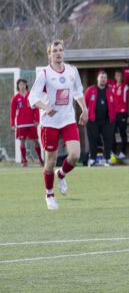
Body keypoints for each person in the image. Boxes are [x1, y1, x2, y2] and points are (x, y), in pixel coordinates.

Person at [28, 39, 88, 210]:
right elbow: (32, 97)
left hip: (67, 119)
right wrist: (45, 107)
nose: (58, 53)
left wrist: (84, 109)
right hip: (49, 123)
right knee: (51, 160)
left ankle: (61, 174)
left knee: (75, 155)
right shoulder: (45, 74)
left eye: (60, 50)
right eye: (55, 51)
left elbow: (77, 92)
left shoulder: (72, 71)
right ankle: (49, 194)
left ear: (64, 52)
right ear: (50, 54)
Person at [84, 70, 116, 167]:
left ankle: (107, 159)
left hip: (107, 120)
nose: (103, 79)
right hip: (93, 120)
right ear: (97, 78)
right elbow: (84, 103)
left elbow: (114, 105)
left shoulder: (110, 90)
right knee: (92, 139)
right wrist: (85, 115)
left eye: (105, 77)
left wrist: (113, 118)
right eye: (101, 77)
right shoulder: (90, 90)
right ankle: (92, 159)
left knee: (108, 139)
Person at [10, 78, 43, 167]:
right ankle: (24, 161)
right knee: (22, 142)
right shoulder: (15, 98)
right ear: (18, 86)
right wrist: (12, 123)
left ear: (26, 85)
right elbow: (12, 112)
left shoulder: (31, 96)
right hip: (21, 124)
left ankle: (40, 159)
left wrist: (37, 120)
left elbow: (36, 108)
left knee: (36, 141)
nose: (22, 86)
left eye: (23, 84)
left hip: (31, 123)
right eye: (20, 84)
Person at [110, 66, 129, 161]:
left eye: (120, 75)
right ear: (115, 77)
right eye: (117, 75)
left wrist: (126, 64)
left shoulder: (126, 84)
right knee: (111, 133)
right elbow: (101, 75)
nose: (118, 77)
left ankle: (123, 152)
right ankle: (112, 151)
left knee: (122, 133)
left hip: (123, 113)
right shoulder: (112, 85)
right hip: (113, 113)